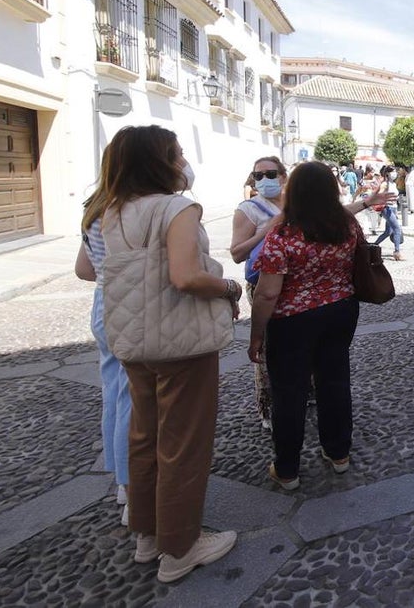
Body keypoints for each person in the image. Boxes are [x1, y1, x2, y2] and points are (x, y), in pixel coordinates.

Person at [99, 125, 240, 583]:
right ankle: (180, 547)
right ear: (159, 160)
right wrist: (228, 286)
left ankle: (147, 533)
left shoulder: (113, 211)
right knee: (183, 442)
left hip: (132, 337)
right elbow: (185, 276)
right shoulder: (176, 208)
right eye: (177, 153)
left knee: (144, 434)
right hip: (180, 339)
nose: (183, 161)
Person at [248, 161, 386, 491]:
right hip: (340, 310)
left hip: (292, 320)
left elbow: (267, 292)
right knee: (334, 380)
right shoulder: (347, 226)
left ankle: (288, 469)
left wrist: (256, 336)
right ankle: (338, 453)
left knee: (289, 392)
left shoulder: (282, 235)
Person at [74, 147, 131, 526]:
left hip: (102, 302)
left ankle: (119, 473)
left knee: (113, 389)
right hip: (128, 305)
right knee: (132, 395)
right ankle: (131, 483)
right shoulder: (125, 211)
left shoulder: (94, 206)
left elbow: (84, 270)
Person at [230, 156, 287, 431]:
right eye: (258, 176)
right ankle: (268, 406)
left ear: (284, 176)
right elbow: (237, 254)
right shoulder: (248, 210)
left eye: (270, 173)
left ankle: (301, 395)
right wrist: (263, 233)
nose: (264, 180)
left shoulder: (295, 203)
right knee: (267, 347)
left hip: (296, 286)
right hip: (263, 283)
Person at [372, 164, 405, 261]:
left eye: (395, 171)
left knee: (388, 232)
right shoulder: (385, 184)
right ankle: (397, 252)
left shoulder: (393, 184)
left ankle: (373, 246)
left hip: (394, 208)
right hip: (387, 208)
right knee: (397, 229)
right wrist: (385, 198)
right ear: (387, 173)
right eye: (392, 171)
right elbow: (379, 194)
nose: (395, 173)